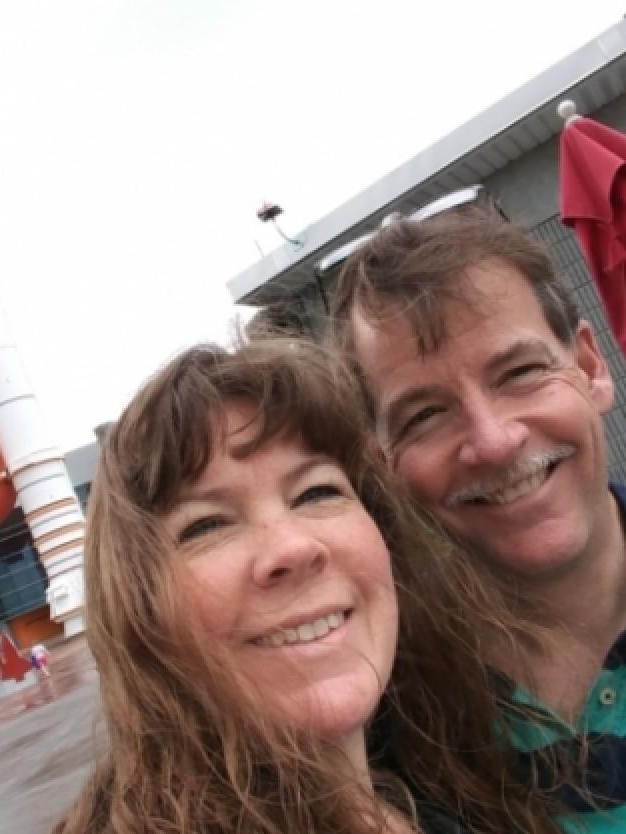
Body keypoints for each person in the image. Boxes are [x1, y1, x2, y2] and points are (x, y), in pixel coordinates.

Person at [56, 341, 559, 834]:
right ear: (141, 608)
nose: (293, 548)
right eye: (207, 525)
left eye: (316, 492)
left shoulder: (460, 780)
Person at [329, 206, 626, 831]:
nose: (493, 442)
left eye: (520, 373)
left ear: (590, 368)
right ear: (384, 465)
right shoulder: (383, 714)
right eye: (425, 416)